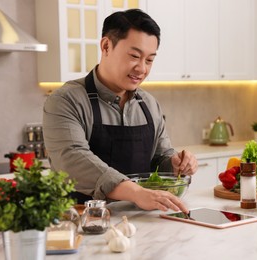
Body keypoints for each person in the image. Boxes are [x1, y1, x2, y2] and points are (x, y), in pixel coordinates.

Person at [42, 9, 198, 213]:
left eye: (149, 60)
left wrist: (176, 164)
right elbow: (73, 159)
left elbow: (160, 156)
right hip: (83, 222)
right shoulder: (65, 100)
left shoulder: (149, 104)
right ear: (106, 46)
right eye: (134, 56)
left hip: (141, 222)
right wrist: (135, 192)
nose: (142, 69)